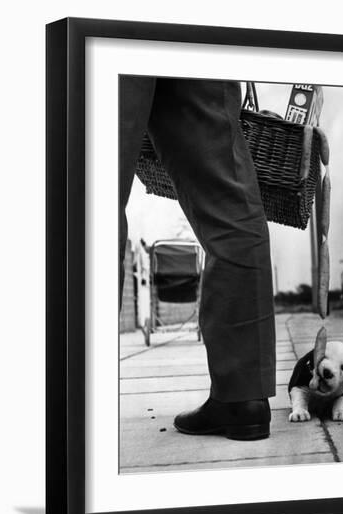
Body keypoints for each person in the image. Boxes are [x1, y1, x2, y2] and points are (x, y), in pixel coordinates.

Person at [120, 76, 276, 440]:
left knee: (85, 191)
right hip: (193, 31)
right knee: (229, 203)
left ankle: (72, 402)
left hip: (106, 27)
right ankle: (243, 398)